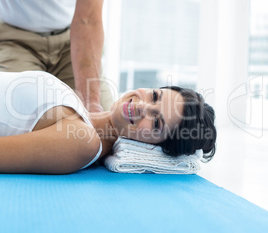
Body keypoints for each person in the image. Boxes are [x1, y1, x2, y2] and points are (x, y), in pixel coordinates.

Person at [0, 71, 217, 174]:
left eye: (156, 123)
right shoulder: (81, 114)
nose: (143, 107)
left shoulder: (83, 142)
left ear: (152, 148)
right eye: (154, 96)